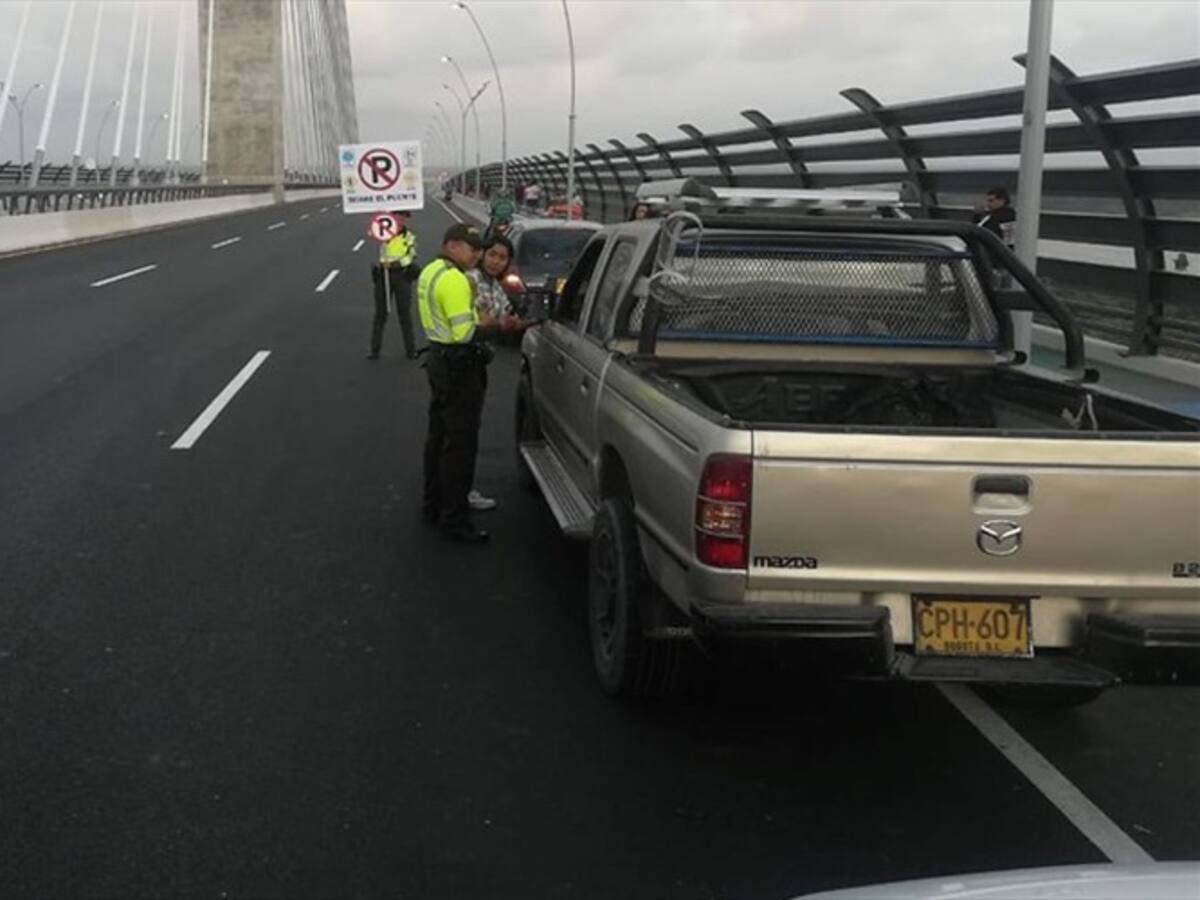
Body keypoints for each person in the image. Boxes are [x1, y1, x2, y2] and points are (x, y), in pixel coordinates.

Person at [417, 224, 517, 542]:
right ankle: (455, 519)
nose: (476, 254)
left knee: (438, 439)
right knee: (460, 446)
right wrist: (497, 326)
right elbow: (465, 333)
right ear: (451, 245)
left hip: (438, 360)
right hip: (459, 367)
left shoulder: (431, 271)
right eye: (471, 248)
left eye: (478, 248)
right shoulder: (455, 279)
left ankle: (433, 504)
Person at [368, 211, 419, 360]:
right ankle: (374, 350)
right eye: (398, 217)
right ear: (392, 217)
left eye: (404, 218)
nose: (402, 220)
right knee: (380, 314)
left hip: (402, 276)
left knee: (405, 314)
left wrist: (396, 263)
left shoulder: (409, 236)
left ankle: (411, 350)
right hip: (383, 276)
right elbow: (370, 232)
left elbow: (412, 255)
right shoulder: (383, 232)